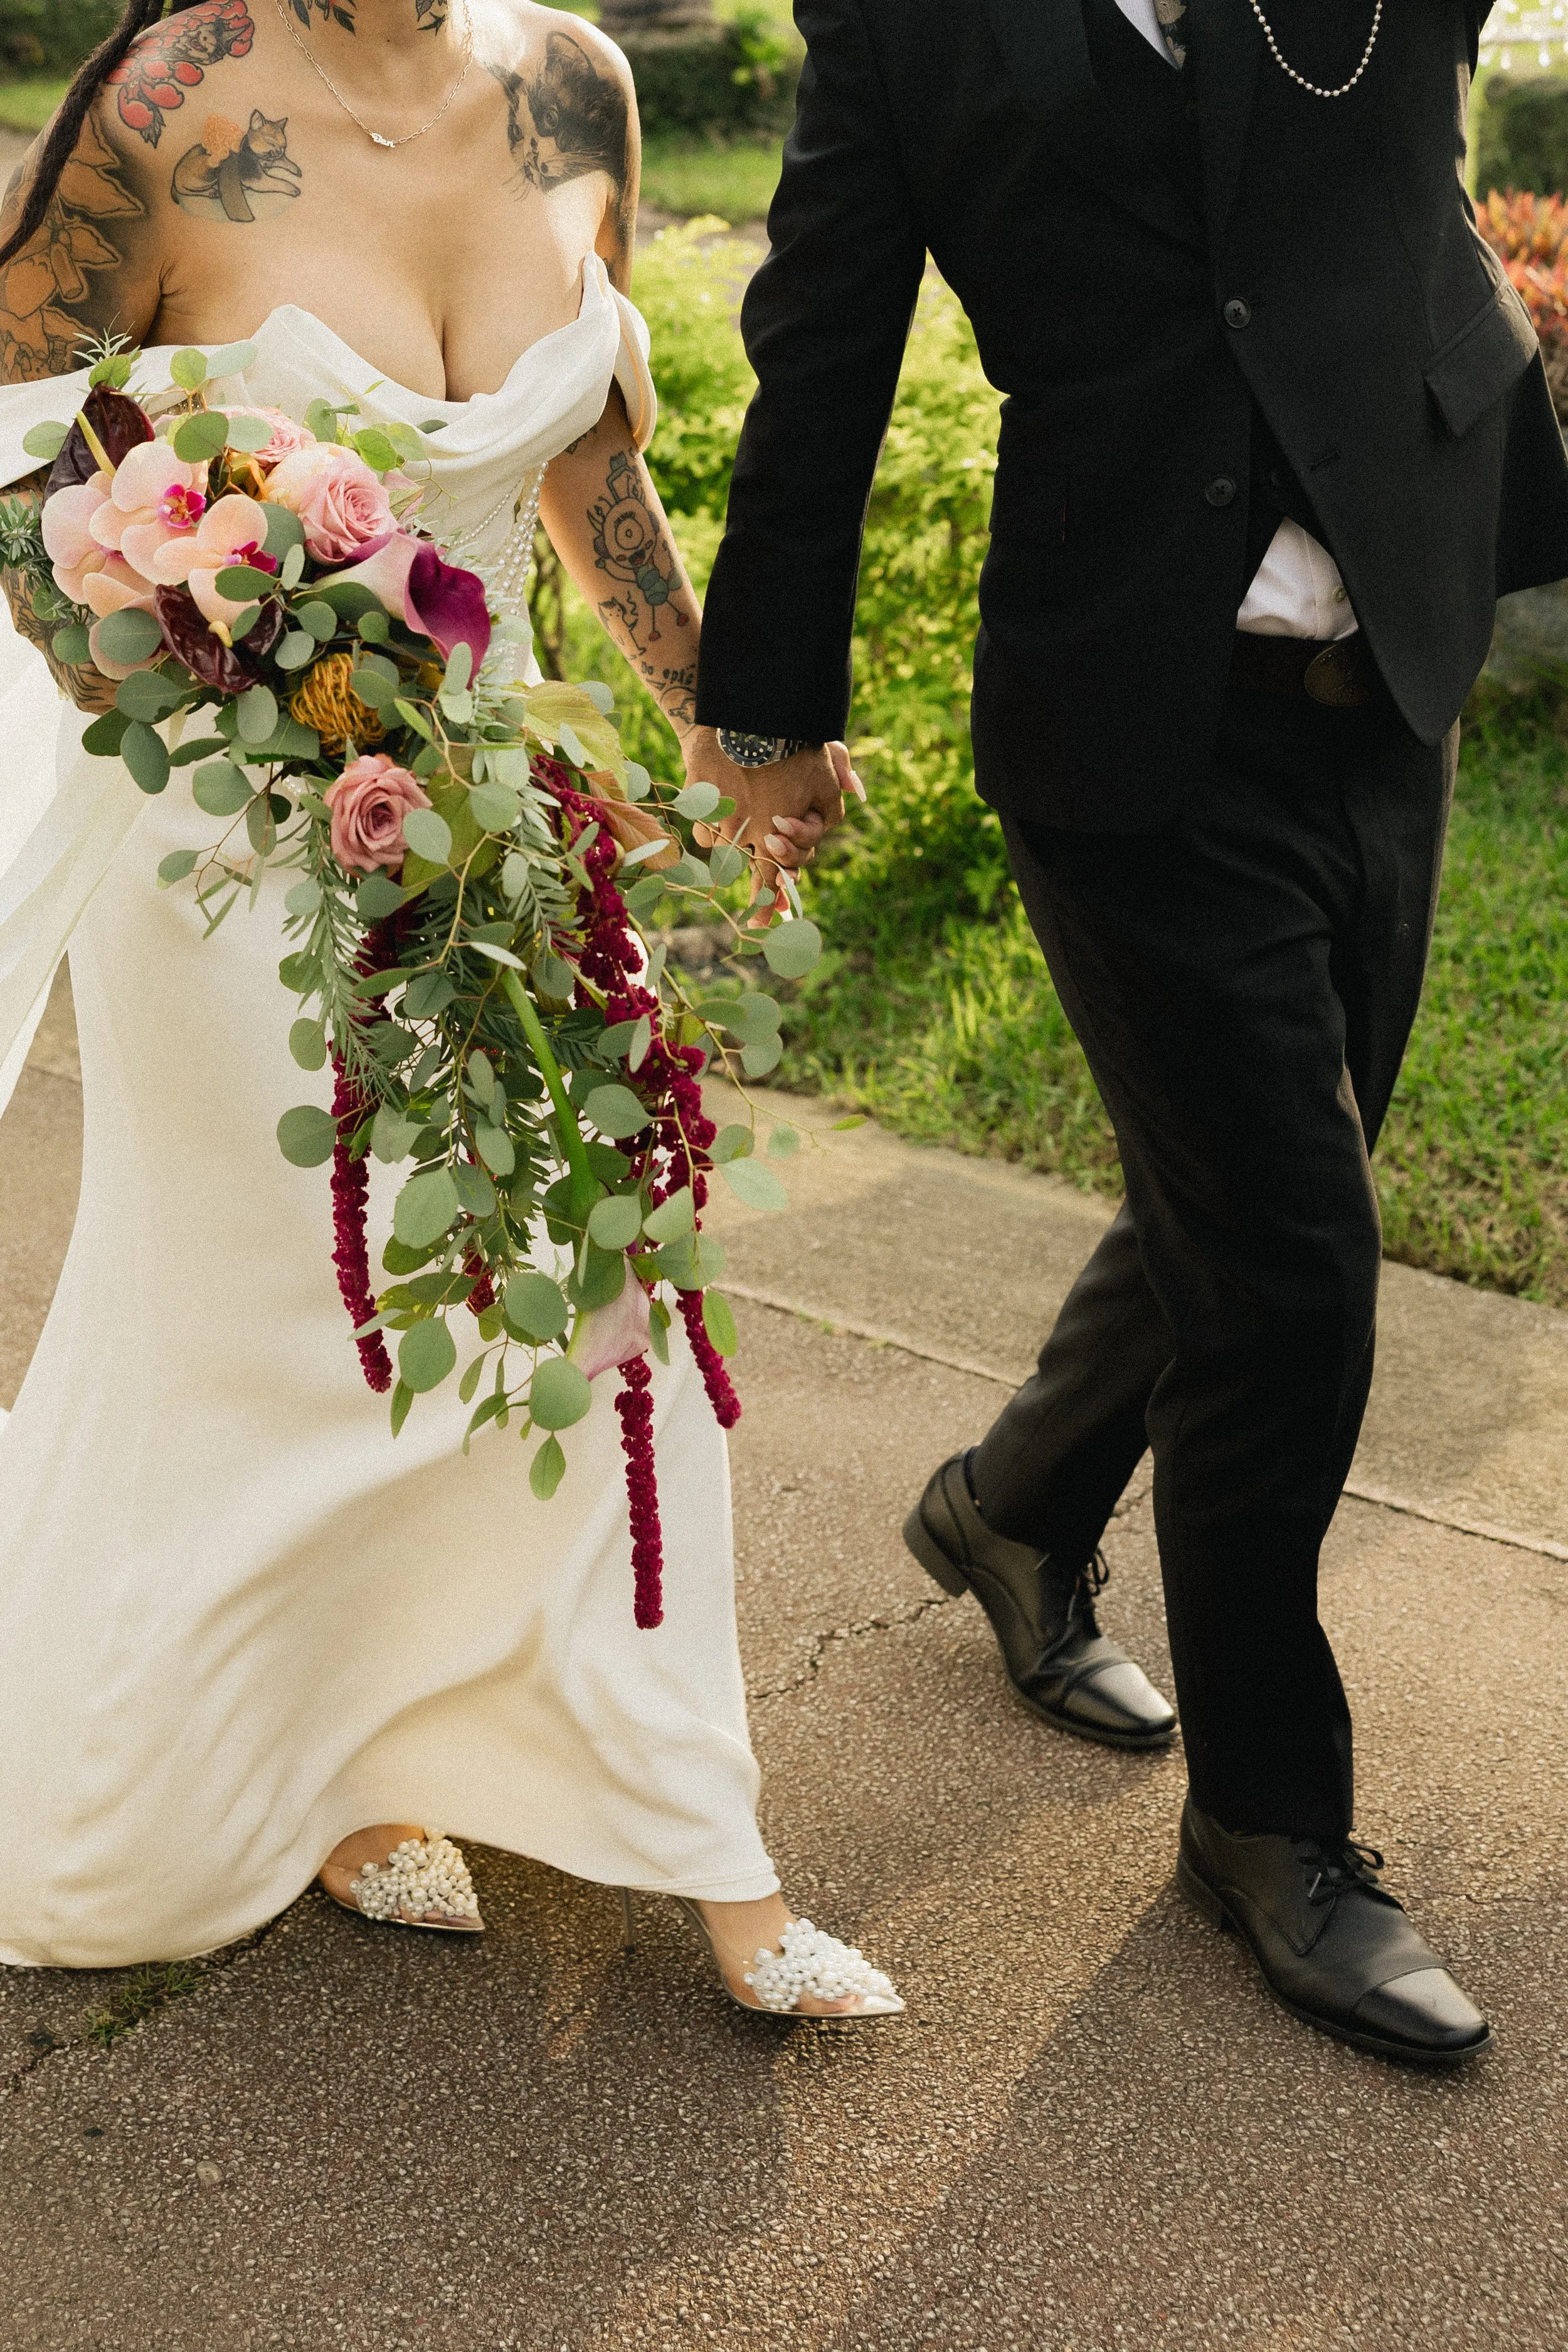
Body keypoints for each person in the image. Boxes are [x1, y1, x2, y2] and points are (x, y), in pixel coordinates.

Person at [0, 0, 901, 2023]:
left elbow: (585, 471)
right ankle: (329, 1764)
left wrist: (726, 729)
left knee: (604, 1272)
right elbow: (11, 457)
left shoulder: (579, 83)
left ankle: (706, 1849)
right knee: (284, 1334)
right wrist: (194, 698)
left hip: (505, 815)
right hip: (232, 849)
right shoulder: (168, 101)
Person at [694, 0, 1568, 2064]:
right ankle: (1269, 1822)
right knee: (1286, 1265)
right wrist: (768, 714)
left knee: (1259, 1176)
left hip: (1394, 661)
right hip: (1129, 709)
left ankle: (1010, 1503)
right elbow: (821, 341)